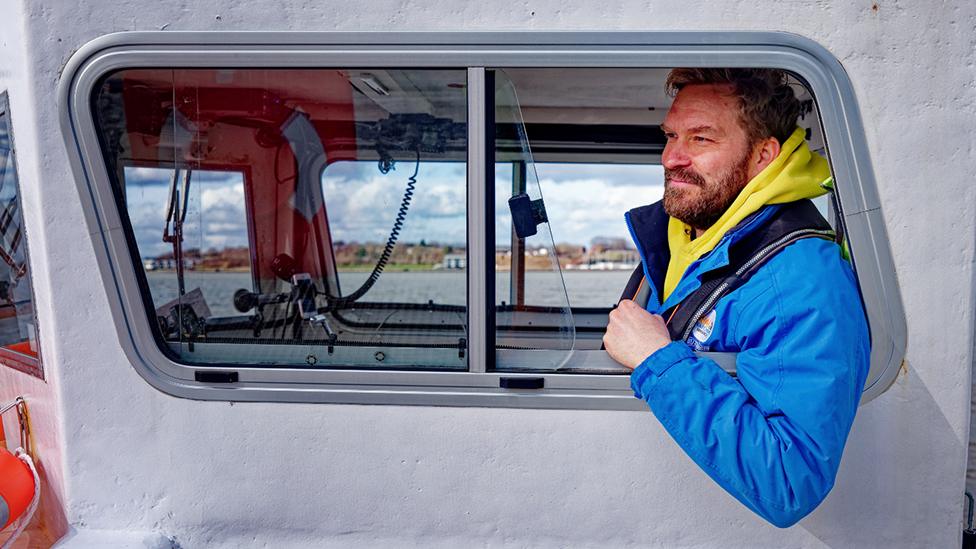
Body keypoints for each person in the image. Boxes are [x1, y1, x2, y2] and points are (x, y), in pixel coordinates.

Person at [602, 68, 870, 528]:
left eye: (701, 139)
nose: (672, 157)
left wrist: (656, 358)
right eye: (670, 136)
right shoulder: (693, 233)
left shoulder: (801, 280)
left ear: (764, 154)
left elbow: (791, 479)